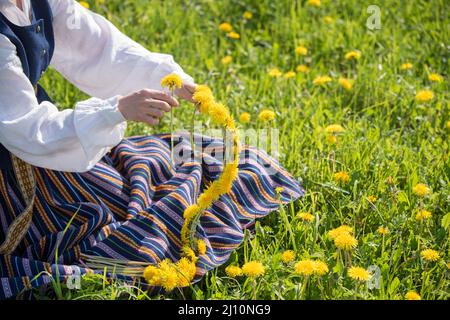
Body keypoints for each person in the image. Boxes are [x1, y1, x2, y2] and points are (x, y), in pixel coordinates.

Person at [0, 0, 303, 299]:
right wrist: (115, 110)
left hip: (41, 145)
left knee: (183, 166)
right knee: (105, 238)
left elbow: (100, 48)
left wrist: (171, 79)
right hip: (13, 160)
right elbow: (27, 128)